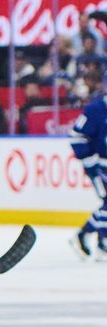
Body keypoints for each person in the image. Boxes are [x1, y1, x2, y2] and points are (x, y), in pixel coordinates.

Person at [68, 91, 107, 260]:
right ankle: (101, 242)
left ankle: (84, 235)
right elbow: (76, 136)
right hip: (100, 166)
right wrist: (89, 160)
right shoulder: (95, 109)